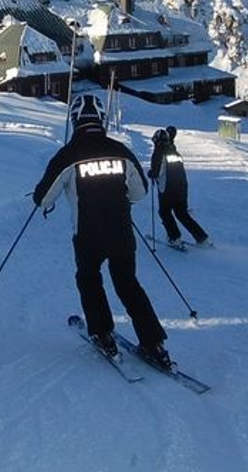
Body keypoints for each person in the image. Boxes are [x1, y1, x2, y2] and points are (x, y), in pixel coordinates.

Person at [33, 93, 172, 368]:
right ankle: (154, 343)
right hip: (121, 230)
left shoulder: (68, 155)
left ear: (74, 120)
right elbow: (141, 192)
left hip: (87, 234)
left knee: (89, 279)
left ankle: (102, 333)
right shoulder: (120, 151)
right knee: (128, 284)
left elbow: (43, 198)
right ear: (101, 119)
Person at [149, 126, 212, 248]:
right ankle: (202, 238)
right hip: (182, 188)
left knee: (164, 212)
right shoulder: (174, 151)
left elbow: (156, 173)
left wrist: (151, 173)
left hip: (167, 189)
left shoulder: (158, 153)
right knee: (182, 213)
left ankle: (175, 238)